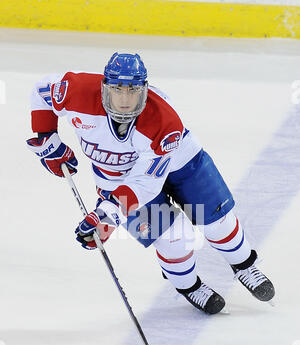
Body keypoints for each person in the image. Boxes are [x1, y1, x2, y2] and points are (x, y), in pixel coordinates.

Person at [26, 52, 275, 314]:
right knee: (174, 238)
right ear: (104, 88)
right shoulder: (78, 91)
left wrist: (108, 215)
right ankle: (190, 287)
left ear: (144, 90)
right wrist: (47, 136)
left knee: (217, 222)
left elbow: (145, 183)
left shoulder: (164, 121)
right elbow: (42, 90)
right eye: (117, 90)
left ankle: (244, 264)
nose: (124, 99)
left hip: (181, 164)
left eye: (132, 90)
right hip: (116, 179)